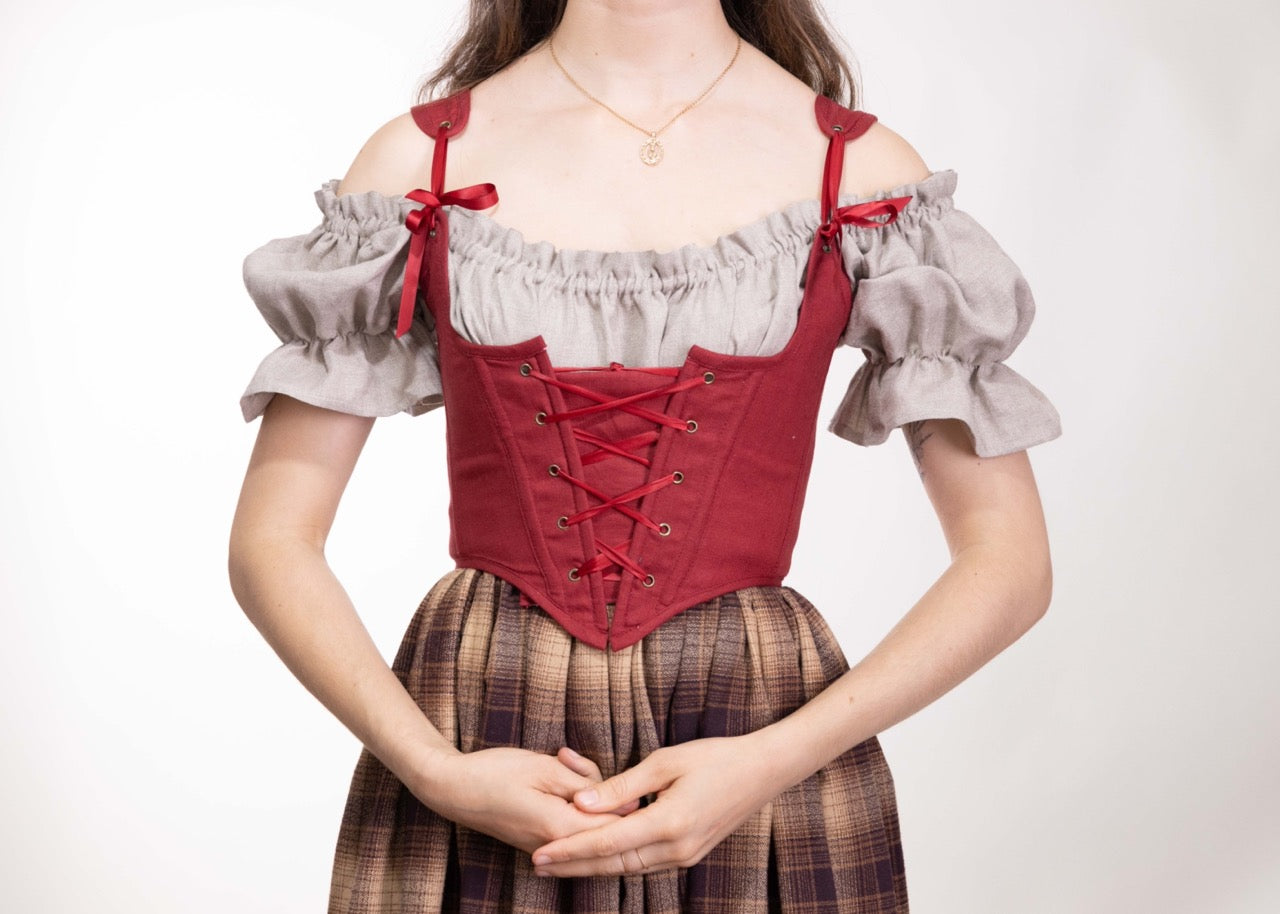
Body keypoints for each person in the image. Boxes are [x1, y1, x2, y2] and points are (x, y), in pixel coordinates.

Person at [228, 1, 1061, 911]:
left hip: (757, 726)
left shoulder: (860, 178)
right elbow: (273, 540)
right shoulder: (420, 167)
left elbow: (1009, 564)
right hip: (480, 722)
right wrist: (434, 768)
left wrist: (768, 762)